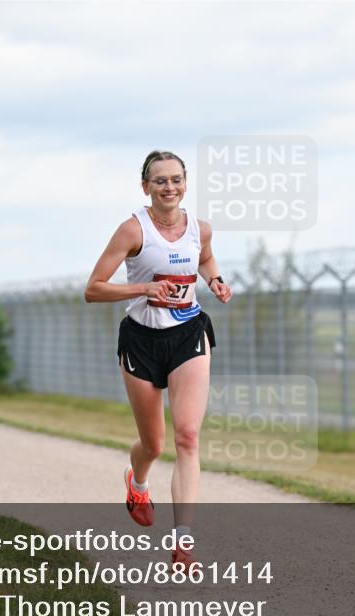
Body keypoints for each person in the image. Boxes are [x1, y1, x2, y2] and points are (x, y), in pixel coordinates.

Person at [84, 150, 232, 570]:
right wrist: (142, 290)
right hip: (141, 340)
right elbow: (93, 289)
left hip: (188, 335)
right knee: (154, 444)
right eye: (160, 181)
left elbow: (203, 258)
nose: (170, 187)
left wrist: (216, 280)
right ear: (145, 186)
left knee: (187, 437)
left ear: (186, 182)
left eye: (176, 179)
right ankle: (138, 482)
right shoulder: (133, 230)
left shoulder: (199, 228)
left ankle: (183, 543)